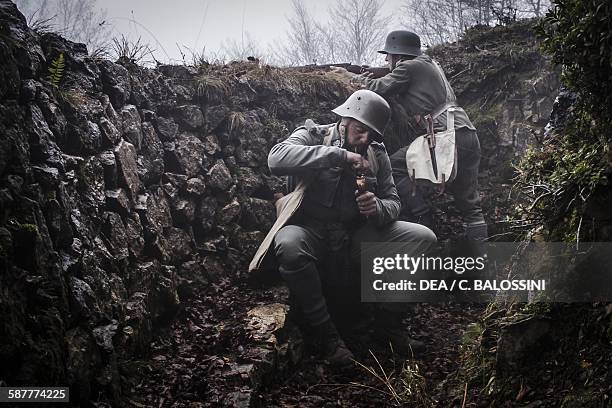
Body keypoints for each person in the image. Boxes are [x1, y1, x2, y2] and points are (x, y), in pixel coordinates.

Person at [249, 90, 436, 367]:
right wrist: (339, 156)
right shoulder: (313, 135)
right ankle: (328, 339)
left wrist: (378, 208)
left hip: (355, 235)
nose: (364, 139)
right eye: (360, 130)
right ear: (345, 120)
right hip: (310, 231)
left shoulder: (377, 154)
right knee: (288, 244)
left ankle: (389, 325)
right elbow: (276, 158)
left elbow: (393, 202)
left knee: (423, 238)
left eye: (371, 135)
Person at [349, 30, 488, 243]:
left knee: (393, 167)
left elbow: (376, 88)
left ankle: (423, 217)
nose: (387, 59)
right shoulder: (430, 64)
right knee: (470, 204)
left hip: (444, 136)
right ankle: (481, 259)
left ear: (399, 55)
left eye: (389, 55)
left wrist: (353, 77)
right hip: (465, 132)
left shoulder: (409, 66)